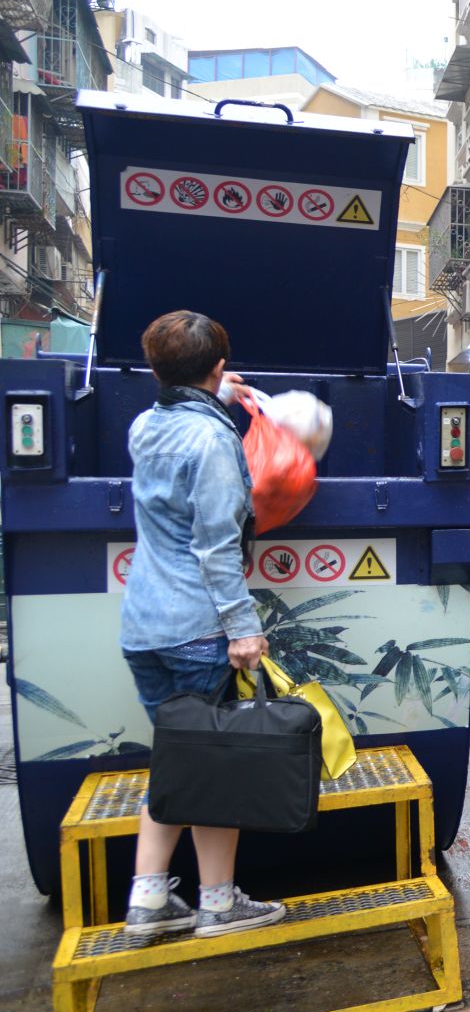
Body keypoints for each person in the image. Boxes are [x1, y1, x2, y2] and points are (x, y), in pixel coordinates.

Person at [120, 311, 286, 939]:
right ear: (217, 367)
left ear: (155, 370)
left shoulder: (145, 426)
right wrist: (243, 629)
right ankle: (217, 904)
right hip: (197, 628)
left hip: (144, 627)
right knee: (212, 768)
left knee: (176, 760)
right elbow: (216, 548)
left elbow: (179, 407)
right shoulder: (213, 440)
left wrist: (216, 392)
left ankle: (149, 899)